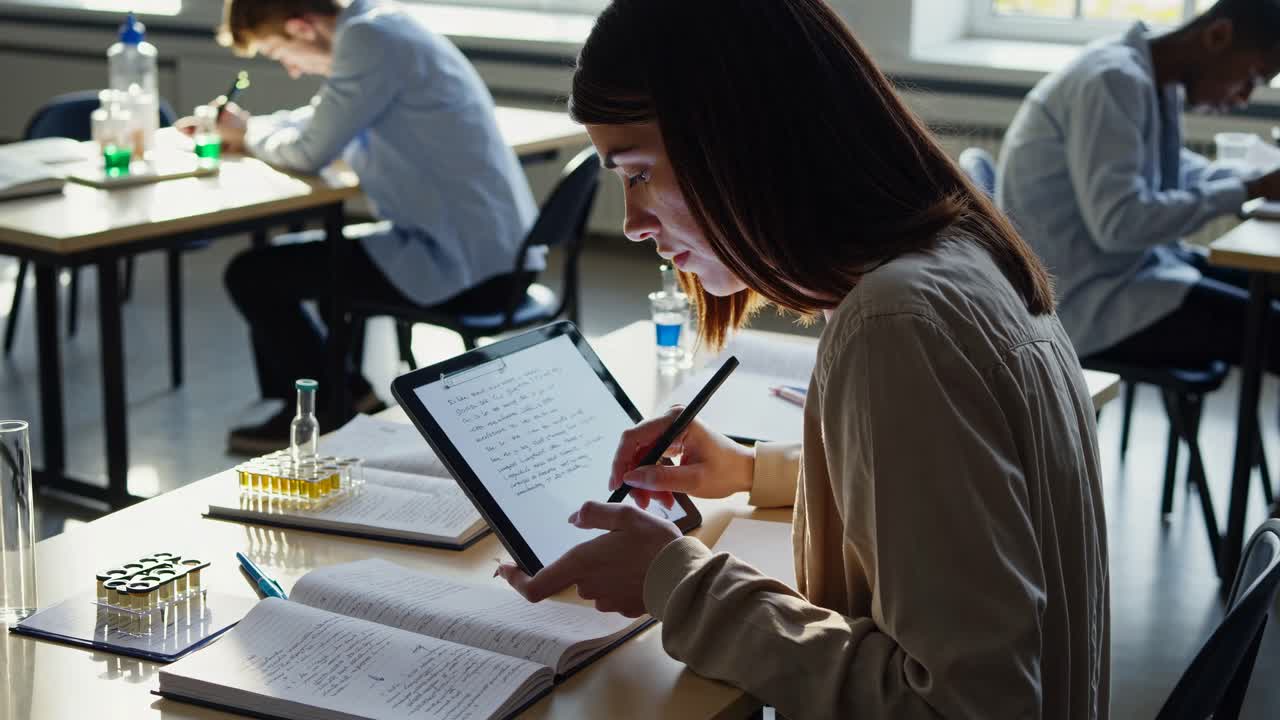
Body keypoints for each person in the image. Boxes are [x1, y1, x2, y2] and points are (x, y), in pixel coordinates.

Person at [495, 1, 1110, 717]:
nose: (631, 224)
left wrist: (680, 582)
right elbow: (966, 501)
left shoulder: (897, 323)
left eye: (636, 173)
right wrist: (757, 470)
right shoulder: (958, 258)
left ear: (735, 142)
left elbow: (968, 704)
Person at [190, 0, 539, 453]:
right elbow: (321, 119)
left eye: (280, 53)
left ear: (302, 26)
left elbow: (309, 151)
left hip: (467, 267)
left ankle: (327, 409)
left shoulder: (367, 41)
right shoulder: (380, 25)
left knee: (255, 275)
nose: (292, 70)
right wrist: (248, 128)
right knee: (286, 267)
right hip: (493, 251)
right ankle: (343, 394)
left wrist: (248, 135)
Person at [998, 0, 1280, 371]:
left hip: (1127, 274)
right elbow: (1120, 226)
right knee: (1273, 332)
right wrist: (1248, 190)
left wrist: (1253, 180)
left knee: (1269, 291)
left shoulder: (1152, 76)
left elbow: (1174, 170)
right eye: (1252, 77)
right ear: (1217, 36)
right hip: (1083, 304)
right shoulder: (1112, 80)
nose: (1243, 97)